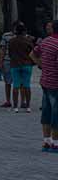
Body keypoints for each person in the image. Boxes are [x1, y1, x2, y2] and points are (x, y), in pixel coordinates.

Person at [30, 20, 58, 152]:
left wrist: (40, 64)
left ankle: (46, 142)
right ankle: (55, 143)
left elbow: (32, 54)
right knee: (56, 113)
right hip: (55, 83)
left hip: (45, 81)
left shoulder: (45, 41)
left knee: (46, 111)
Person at [6, 22, 35, 113]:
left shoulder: (11, 41)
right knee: (27, 85)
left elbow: (10, 53)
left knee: (16, 86)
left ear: (15, 31)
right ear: (24, 32)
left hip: (15, 65)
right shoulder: (28, 41)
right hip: (27, 64)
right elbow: (32, 52)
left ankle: (15, 107)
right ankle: (28, 107)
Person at [0, 27, 15, 108]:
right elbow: (3, 49)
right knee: (8, 82)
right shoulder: (6, 36)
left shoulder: (24, 35)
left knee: (20, 83)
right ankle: (8, 101)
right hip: (7, 61)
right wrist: (1, 62)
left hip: (18, 62)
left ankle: (22, 101)